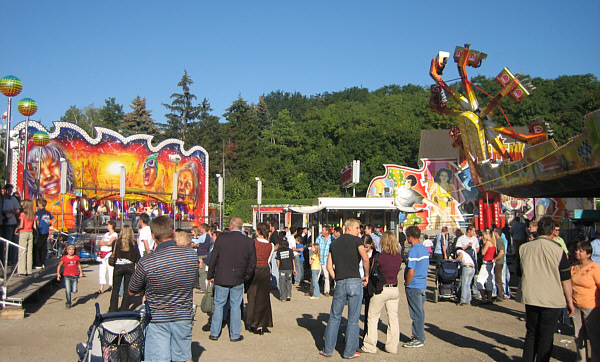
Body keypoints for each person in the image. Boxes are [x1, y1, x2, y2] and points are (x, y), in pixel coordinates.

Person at [128, 215, 198, 362]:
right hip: (183, 314)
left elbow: (132, 289)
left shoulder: (147, 261)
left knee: (160, 357)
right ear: (173, 232)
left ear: (153, 236)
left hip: (158, 316)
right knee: (184, 356)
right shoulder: (191, 256)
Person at [519, 216, 574, 362]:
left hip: (531, 295)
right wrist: (570, 301)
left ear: (538, 229)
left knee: (531, 333)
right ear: (552, 232)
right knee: (546, 335)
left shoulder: (524, 248)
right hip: (551, 297)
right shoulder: (558, 250)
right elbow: (566, 278)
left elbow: (519, 272)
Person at [320, 219, 369, 359]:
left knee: (334, 317)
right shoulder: (357, 241)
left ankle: (328, 349)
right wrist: (366, 275)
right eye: (358, 228)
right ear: (349, 228)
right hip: (354, 280)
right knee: (353, 319)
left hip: (341, 281)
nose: (359, 231)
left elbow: (329, 266)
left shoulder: (334, 243)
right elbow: (365, 258)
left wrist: (337, 277)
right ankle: (349, 352)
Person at [207, 217, 256, 342]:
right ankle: (234, 334)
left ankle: (214, 332)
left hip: (222, 276)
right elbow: (252, 262)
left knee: (218, 304)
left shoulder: (222, 239)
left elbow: (214, 258)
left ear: (231, 226)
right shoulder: (248, 241)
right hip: (238, 277)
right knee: (235, 306)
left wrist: (210, 275)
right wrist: (246, 276)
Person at [361, 231, 403, 354]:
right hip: (394, 288)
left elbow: (373, 270)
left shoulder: (379, 256)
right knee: (393, 318)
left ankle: (370, 346)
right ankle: (392, 346)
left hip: (381, 289)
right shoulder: (398, 257)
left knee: (373, 317)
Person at [571, 241, 600, 361]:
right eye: (577, 250)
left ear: (588, 254)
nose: (577, 252)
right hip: (575, 305)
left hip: (591, 306)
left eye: (581, 251)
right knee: (578, 336)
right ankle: (581, 359)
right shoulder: (574, 267)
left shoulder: (595, 268)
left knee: (594, 336)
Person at [246, 222, 275, 335]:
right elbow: (268, 260)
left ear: (258, 231)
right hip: (265, 270)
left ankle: (252, 322)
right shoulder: (271, 245)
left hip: (254, 269)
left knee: (252, 296)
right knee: (263, 298)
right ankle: (261, 324)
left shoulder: (253, 243)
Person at [403, 225, 429, 348]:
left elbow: (411, 271)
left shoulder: (413, 250)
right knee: (420, 312)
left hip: (414, 285)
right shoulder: (424, 249)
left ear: (410, 236)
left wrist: (407, 283)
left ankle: (418, 338)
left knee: (416, 313)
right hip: (422, 284)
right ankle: (419, 336)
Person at [109, 225, 140, 312]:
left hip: (118, 266)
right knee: (127, 289)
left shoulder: (116, 242)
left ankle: (113, 308)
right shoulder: (133, 243)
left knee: (115, 289)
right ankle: (124, 308)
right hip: (129, 266)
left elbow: (113, 253)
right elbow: (137, 257)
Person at [475, 229, 497, 305]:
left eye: (484, 235)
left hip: (486, 263)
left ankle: (484, 298)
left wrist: (484, 244)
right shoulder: (493, 242)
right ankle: (489, 298)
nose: (483, 236)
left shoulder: (487, 242)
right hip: (491, 262)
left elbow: (483, 252)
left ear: (487, 235)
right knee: (489, 281)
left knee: (479, 280)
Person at [15, 199, 36, 276]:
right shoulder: (32, 214)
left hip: (24, 232)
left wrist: (17, 229)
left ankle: (22, 270)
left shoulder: (23, 214)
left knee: (22, 251)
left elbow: (21, 225)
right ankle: (29, 270)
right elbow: (35, 226)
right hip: (30, 232)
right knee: (29, 252)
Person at [2, 184, 21, 265]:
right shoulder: (2, 199)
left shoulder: (13, 199)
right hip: (2, 222)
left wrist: (10, 212)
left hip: (11, 222)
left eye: (11, 190)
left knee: (10, 241)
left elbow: (18, 210)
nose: (10, 192)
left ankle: (10, 260)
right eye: (9, 190)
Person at [97, 221, 117, 294]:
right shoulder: (106, 234)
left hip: (109, 253)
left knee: (110, 270)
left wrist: (104, 243)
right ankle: (101, 287)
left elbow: (110, 243)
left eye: (108, 225)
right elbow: (100, 242)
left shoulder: (115, 234)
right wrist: (104, 243)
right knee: (102, 270)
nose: (107, 226)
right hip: (102, 253)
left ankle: (112, 285)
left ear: (111, 226)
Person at [33, 198, 54, 269]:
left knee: (38, 247)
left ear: (40, 204)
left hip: (40, 231)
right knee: (44, 247)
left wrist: (35, 229)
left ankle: (38, 263)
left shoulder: (38, 213)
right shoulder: (47, 213)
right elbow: (54, 219)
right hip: (46, 231)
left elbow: (37, 222)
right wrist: (50, 224)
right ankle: (43, 262)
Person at [316, 225, 333, 296]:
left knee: (327, 276)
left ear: (327, 231)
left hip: (326, 260)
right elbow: (315, 247)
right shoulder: (319, 238)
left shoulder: (332, 239)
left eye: (323, 230)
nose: (322, 232)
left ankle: (327, 291)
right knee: (315, 276)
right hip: (318, 259)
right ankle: (313, 290)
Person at [492, 228, 507, 301]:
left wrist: (495, 258)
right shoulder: (498, 241)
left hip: (499, 262)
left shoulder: (499, 241)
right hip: (499, 262)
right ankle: (499, 294)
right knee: (497, 278)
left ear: (497, 232)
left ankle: (500, 296)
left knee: (498, 279)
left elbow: (501, 252)